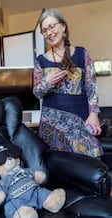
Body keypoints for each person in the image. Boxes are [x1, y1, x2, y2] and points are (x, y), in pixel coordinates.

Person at [33, 9, 103, 158]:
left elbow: (91, 86)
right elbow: (37, 92)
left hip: (81, 117)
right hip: (51, 124)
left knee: (92, 160)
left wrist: (94, 114)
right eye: (44, 30)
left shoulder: (82, 53)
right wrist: (47, 82)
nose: (49, 33)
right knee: (60, 168)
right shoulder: (40, 60)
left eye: (52, 26)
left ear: (63, 26)